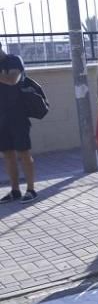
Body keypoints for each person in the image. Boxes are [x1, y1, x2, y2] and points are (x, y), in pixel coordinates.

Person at [0, 42, 36, 203]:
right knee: (8, 155)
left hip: (18, 116)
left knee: (24, 153)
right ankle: (15, 190)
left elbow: (12, 79)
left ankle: (31, 189)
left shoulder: (14, 60)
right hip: (1, 118)